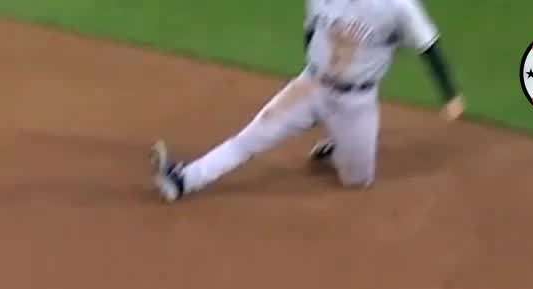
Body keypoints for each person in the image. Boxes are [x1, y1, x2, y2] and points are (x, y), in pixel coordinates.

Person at [151, 0, 462, 201]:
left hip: (356, 103)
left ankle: (337, 144)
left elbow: (429, 46)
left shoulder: (399, 7)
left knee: (357, 181)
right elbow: (311, 31)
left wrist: (449, 94)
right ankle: (182, 179)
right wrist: (314, 72)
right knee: (250, 139)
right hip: (309, 87)